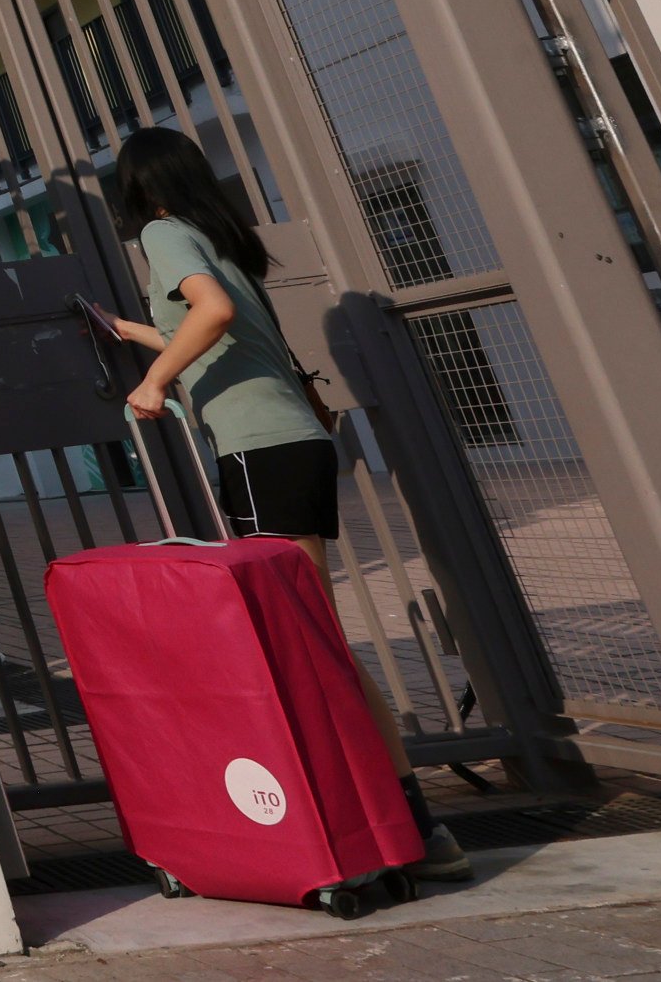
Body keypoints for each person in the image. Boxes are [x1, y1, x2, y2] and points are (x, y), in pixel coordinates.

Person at [98, 125, 471, 882]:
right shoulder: (219, 240)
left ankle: (412, 829)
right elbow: (200, 323)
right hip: (290, 445)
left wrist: (154, 382)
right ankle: (404, 825)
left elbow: (209, 318)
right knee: (307, 634)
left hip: (259, 451)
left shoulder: (166, 234)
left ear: (137, 189)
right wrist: (129, 333)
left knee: (309, 640)